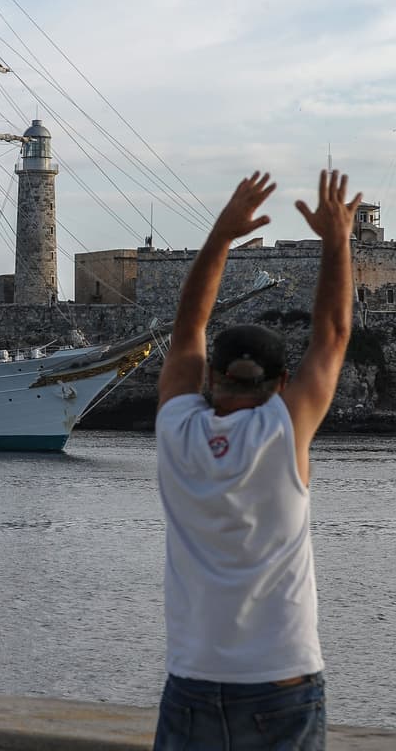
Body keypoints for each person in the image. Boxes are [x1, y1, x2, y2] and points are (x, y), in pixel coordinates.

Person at [152, 169, 360, 751]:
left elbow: (187, 327)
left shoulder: (176, 429)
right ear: (282, 382)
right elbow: (335, 333)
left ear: (211, 378)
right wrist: (337, 240)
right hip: (279, 683)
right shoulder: (283, 429)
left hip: (193, 682)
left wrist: (221, 236)